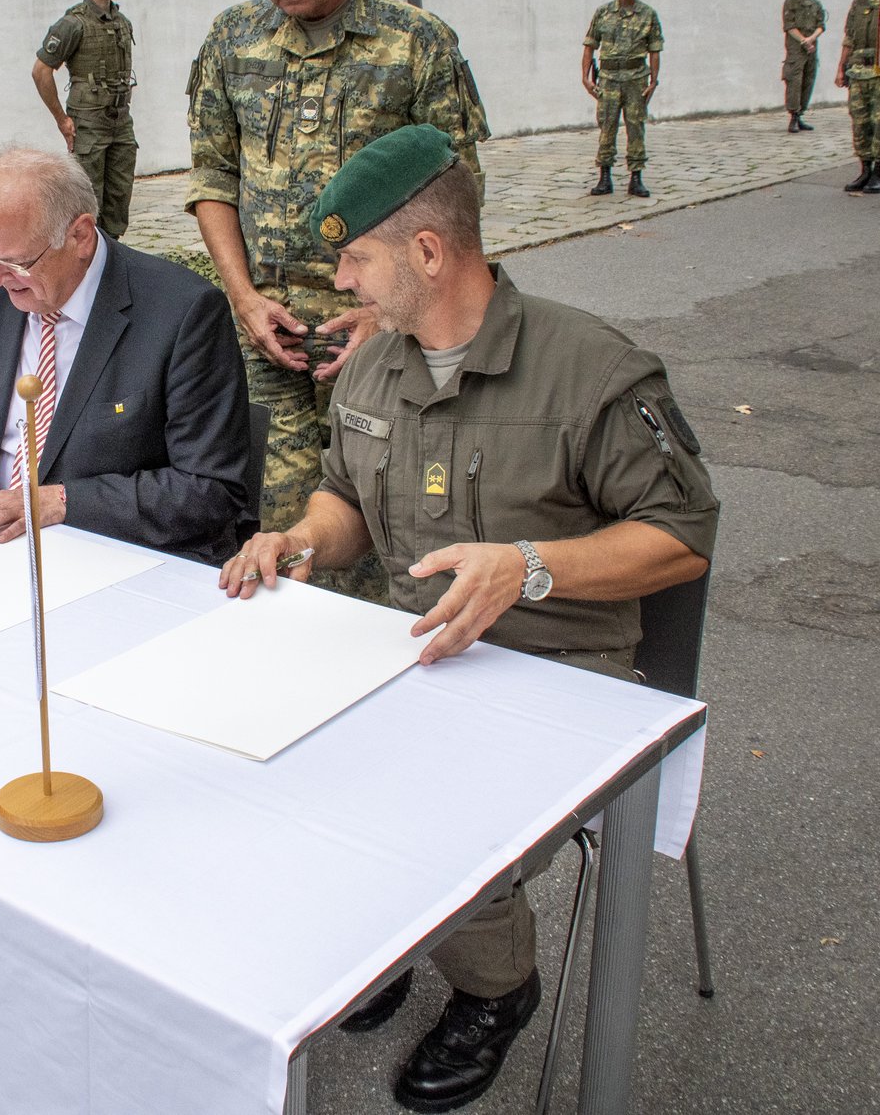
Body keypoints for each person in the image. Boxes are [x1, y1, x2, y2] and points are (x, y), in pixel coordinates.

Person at [220, 124, 717, 1113]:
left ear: (427, 251)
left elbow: (680, 537)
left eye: (353, 258)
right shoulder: (374, 366)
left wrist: (530, 567)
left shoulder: (591, 372)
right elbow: (343, 501)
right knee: (270, 755)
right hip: (412, 656)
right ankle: (393, 935)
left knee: (421, 813)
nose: (340, 281)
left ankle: (496, 985)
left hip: (560, 678)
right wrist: (300, 540)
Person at [187, 0, 488, 556]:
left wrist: (387, 316)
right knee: (287, 536)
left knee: (394, 529)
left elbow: (460, 204)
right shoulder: (233, 42)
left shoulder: (417, 44)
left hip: (389, 340)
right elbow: (212, 180)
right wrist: (244, 298)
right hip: (272, 339)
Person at [0, 146, 251, 566]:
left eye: (15, 261)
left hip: (122, 559)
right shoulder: (1, 294)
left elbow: (210, 490)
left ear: (80, 235)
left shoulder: (182, 313)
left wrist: (59, 501)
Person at [32, 0, 137, 237]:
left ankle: (113, 253)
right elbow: (41, 71)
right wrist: (61, 119)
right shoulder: (72, 24)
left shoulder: (121, 22)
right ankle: (86, 260)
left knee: (118, 200)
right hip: (88, 125)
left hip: (120, 123)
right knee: (87, 202)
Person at [581, 0, 662, 198]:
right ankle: (604, 177)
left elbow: (654, 50)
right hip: (608, 79)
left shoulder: (648, 14)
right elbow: (589, 46)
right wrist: (585, 78)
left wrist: (654, 81)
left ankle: (636, 178)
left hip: (636, 78)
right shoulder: (603, 13)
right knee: (607, 127)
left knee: (636, 126)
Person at [834, 0, 880, 194]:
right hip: (859, 71)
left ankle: (879, 171)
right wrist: (841, 67)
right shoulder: (860, 1)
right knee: (860, 122)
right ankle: (865, 168)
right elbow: (849, 37)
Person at [781, 0, 825, 131]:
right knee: (794, 82)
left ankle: (800, 115)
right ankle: (793, 115)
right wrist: (804, 41)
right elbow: (789, 26)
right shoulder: (790, 2)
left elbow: (821, 25)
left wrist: (812, 38)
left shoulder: (816, 5)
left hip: (811, 49)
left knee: (808, 81)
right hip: (796, 50)